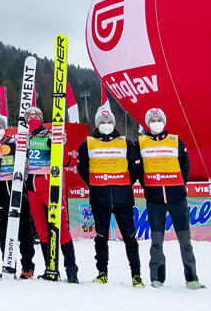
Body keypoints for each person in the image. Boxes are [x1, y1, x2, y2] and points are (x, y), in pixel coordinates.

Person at [135, 108, 204, 290]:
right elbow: (139, 170)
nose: (156, 122)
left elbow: (185, 166)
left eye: (159, 119)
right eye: (152, 120)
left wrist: (178, 186)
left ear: (164, 121)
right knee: (156, 242)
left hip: (177, 199)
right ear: (148, 123)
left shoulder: (175, 141)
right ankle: (157, 278)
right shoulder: (141, 143)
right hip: (155, 199)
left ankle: (191, 278)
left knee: (185, 241)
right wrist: (149, 186)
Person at [77, 107, 144, 287]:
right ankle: (102, 273)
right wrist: (94, 184)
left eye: (109, 122)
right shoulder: (88, 143)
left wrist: (125, 184)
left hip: (123, 198)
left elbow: (135, 168)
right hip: (100, 198)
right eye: (102, 122)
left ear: (113, 124)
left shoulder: (125, 143)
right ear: (97, 124)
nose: (106, 125)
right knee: (101, 237)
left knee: (130, 237)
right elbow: (82, 168)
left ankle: (136, 276)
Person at [23, 106, 78, 283]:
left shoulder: (49, 136)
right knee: (41, 231)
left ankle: (71, 269)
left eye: (35, 115)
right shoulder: (26, 139)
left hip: (49, 188)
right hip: (32, 190)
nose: (32, 118)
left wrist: (60, 145)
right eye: (29, 116)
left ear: (41, 117)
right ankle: (50, 268)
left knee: (61, 229)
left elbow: (66, 161)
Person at [0, 115, 36, 279]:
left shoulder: (15, 144)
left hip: (19, 192)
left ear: (5, 127)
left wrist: (26, 165)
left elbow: (27, 166)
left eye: (0, 127)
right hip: (0, 195)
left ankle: (27, 267)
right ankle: (8, 266)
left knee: (24, 232)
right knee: (4, 233)